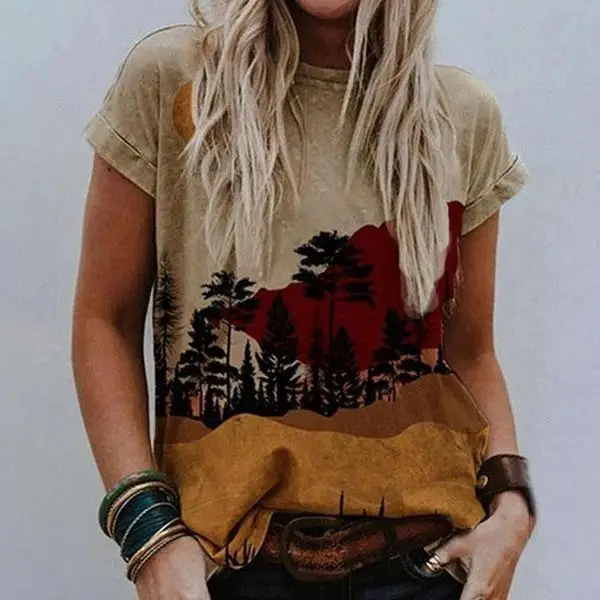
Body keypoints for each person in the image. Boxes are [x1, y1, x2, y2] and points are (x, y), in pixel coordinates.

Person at [72, 0, 537, 598]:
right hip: (231, 570)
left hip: (426, 568)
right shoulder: (173, 80)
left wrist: (511, 505)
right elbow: (105, 321)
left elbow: (470, 352)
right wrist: (147, 533)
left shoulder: (462, 115)